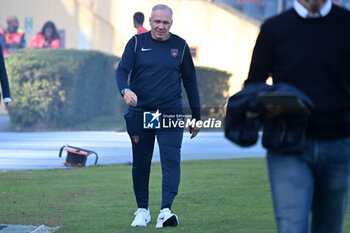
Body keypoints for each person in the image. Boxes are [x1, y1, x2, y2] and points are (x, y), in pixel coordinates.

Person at [244, 0, 350, 232]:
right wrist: (267, 105)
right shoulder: (274, 28)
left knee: (330, 229)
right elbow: (253, 85)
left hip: (339, 144)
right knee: (292, 227)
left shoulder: (346, 25)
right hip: (287, 144)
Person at [116, 4, 200, 228]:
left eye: (165, 23)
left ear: (171, 23)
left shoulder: (180, 46)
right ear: (150, 21)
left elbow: (190, 82)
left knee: (171, 160)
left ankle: (166, 211)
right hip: (143, 113)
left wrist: (197, 116)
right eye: (157, 22)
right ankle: (142, 210)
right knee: (141, 162)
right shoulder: (136, 43)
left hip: (170, 113)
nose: (161, 27)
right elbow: (121, 71)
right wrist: (125, 90)